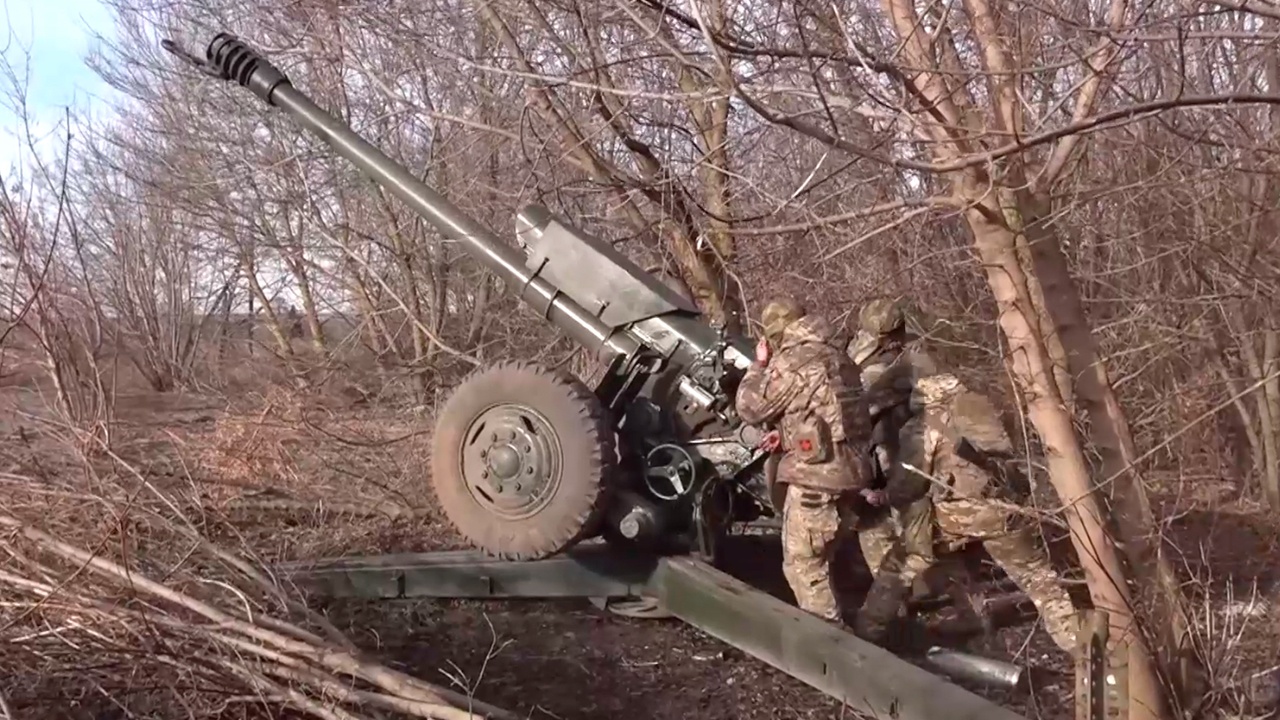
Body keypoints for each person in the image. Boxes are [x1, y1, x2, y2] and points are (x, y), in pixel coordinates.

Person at [854, 372, 1080, 653]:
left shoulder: (924, 425)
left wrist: (883, 496)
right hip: (1006, 508)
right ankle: (1080, 646)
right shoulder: (987, 409)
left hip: (958, 515)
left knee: (898, 564)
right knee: (1040, 580)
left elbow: (910, 485)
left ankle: (866, 633)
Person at [735, 296, 879, 623]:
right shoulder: (838, 357)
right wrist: (785, 437)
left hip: (817, 479)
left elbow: (749, 407)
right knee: (822, 556)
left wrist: (758, 365)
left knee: (803, 563)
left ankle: (832, 646)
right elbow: (832, 418)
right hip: (852, 473)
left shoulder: (792, 362)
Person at [846, 298, 941, 599]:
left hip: (893, 449)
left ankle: (902, 594)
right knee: (905, 520)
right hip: (904, 447)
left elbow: (860, 410)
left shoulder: (879, 368)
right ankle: (918, 587)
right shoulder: (914, 355)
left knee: (881, 524)